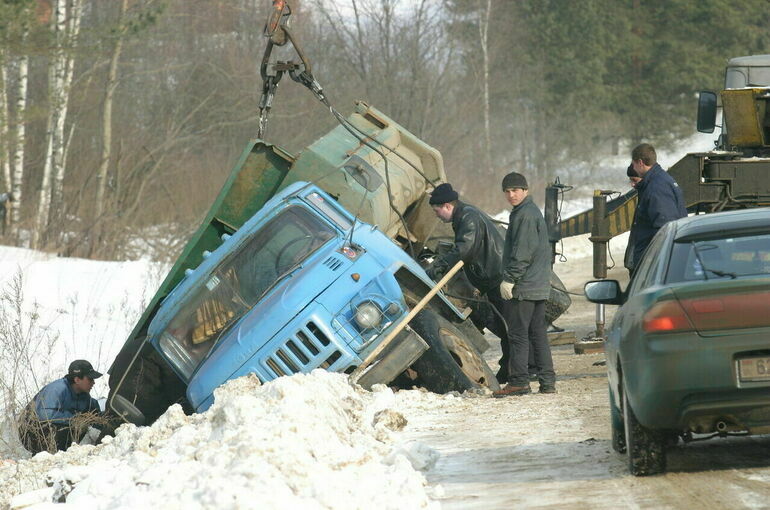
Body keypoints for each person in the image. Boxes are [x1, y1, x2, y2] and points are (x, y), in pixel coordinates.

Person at [426, 183, 516, 381]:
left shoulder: (468, 217)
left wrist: (440, 265)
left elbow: (464, 249)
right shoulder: (464, 216)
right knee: (506, 326)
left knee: (509, 326)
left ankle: (514, 370)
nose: (436, 215)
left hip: (496, 278)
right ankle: (514, 368)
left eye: (437, 210)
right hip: (491, 278)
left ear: (447, 206)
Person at [493, 172, 556, 397]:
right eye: (507, 191)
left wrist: (509, 279)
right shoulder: (526, 212)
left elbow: (522, 253)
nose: (511, 195)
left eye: (516, 190)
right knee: (538, 334)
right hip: (537, 286)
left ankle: (519, 381)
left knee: (518, 335)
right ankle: (547, 382)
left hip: (525, 287)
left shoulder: (525, 215)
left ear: (526, 190)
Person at [18, 359, 103, 454]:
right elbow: (44, 415)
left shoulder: (85, 396)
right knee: (75, 425)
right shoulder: (57, 389)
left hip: (56, 433)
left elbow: (96, 417)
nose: (93, 382)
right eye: (90, 379)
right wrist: (75, 419)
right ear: (77, 380)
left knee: (82, 424)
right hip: (32, 433)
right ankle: (48, 457)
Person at [628, 143, 687, 271]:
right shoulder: (659, 181)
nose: (633, 167)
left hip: (655, 265)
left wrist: (656, 266)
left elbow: (665, 228)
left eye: (633, 164)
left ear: (640, 162)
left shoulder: (656, 188)